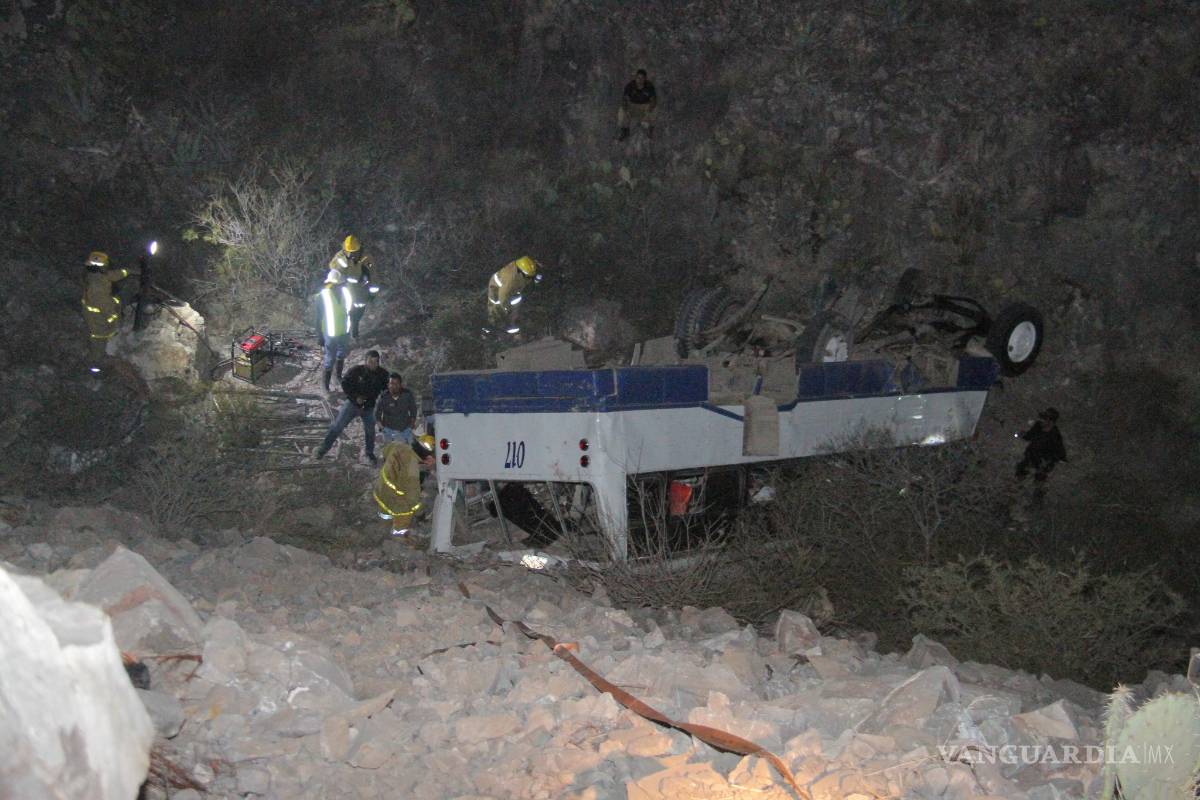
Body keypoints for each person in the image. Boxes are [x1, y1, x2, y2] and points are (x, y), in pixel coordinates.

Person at [313, 349, 390, 463]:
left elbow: (386, 390)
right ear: (365, 361)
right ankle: (323, 449)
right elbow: (345, 383)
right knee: (337, 426)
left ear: (378, 362)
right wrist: (355, 397)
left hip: (370, 407)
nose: (373, 364)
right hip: (352, 404)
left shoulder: (383, 374)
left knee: (370, 431)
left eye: (375, 362)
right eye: (370, 361)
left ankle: (369, 454)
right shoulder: (356, 371)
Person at [81, 251, 137, 375]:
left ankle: (100, 359)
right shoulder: (96, 287)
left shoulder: (95, 276)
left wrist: (128, 271)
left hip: (97, 312)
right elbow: (106, 307)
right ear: (102, 266)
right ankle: (96, 368)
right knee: (99, 341)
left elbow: (111, 275)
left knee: (102, 338)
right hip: (97, 319)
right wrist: (114, 320)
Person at [374, 434, 436, 536]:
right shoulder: (412, 471)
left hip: (380, 489)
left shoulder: (398, 446)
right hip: (393, 498)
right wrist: (420, 513)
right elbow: (413, 498)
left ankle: (383, 521)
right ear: (426, 455)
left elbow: (385, 452)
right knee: (406, 511)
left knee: (384, 509)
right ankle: (399, 533)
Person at [309, 270, 355, 392]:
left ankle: (337, 377)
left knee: (341, 355)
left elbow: (350, 311)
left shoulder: (346, 293)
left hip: (344, 332)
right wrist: (320, 336)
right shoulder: (322, 296)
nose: (338, 286)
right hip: (330, 334)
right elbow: (318, 318)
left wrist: (352, 327)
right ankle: (325, 386)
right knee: (330, 359)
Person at [328, 235, 378, 340]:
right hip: (346, 289)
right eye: (349, 251)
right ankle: (346, 334)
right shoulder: (340, 256)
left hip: (361, 291)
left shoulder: (366, 258)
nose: (351, 254)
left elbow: (373, 275)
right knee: (346, 313)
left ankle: (354, 328)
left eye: (354, 251)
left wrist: (373, 293)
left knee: (358, 313)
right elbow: (333, 269)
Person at [1015, 407, 1067, 502]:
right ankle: (1016, 492)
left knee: (1039, 478)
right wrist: (1022, 434)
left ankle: (1037, 497)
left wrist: (1050, 462)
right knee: (1021, 470)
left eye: (1045, 419)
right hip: (1031, 455)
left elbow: (1060, 454)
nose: (1042, 421)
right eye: (1042, 418)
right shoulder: (1037, 427)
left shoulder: (1055, 436)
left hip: (1044, 461)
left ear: (1051, 421)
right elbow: (1029, 436)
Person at [484, 255, 542, 336]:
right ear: (521, 272)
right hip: (496, 288)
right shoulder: (511, 281)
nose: (529, 278)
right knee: (496, 306)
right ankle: (492, 328)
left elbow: (531, 274)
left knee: (516, 301)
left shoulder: (526, 266)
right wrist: (507, 308)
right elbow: (503, 296)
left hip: (513, 290)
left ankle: (512, 320)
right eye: (528, 277)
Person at [375, 372, 418, 444]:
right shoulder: (383, 397)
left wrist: (410, 427)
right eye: (391, 383)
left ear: (401, 385)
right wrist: (383, 429)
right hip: (388, 432)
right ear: (388, 385)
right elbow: (377, 416)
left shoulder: (407, 395)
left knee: (410, 450)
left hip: (405, 431)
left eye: (396, 383)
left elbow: (413, 412)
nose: (394, 386)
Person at [617, 69, 657, 142]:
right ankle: (625, 130)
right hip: (633, 106)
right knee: (621, 111)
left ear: (645, 79)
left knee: (654, 110)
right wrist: (626, 109)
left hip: (645, 106)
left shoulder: (649, 86)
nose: (640, 80)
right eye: (638, 78)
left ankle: (650, 130)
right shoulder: (630, 86)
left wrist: (649, 110)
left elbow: (654, 101)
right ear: (635, 78)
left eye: (642, 78)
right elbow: (624, 100)